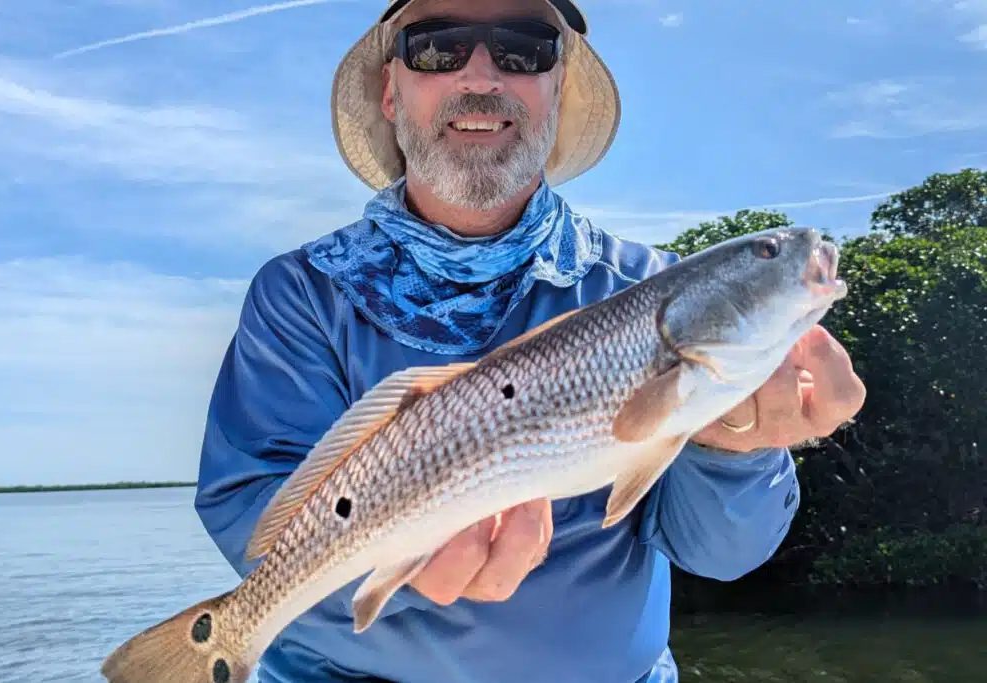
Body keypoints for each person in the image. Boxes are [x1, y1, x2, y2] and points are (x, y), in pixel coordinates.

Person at [193, 0, 867, 681]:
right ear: (390, 92)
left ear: (556, 89)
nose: (481, 74)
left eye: (524, 48)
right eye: (438, 46)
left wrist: (738, 445)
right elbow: (248, 509)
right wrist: (398, 567)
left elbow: (722, 552)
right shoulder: (303, 294)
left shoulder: (642, 282)